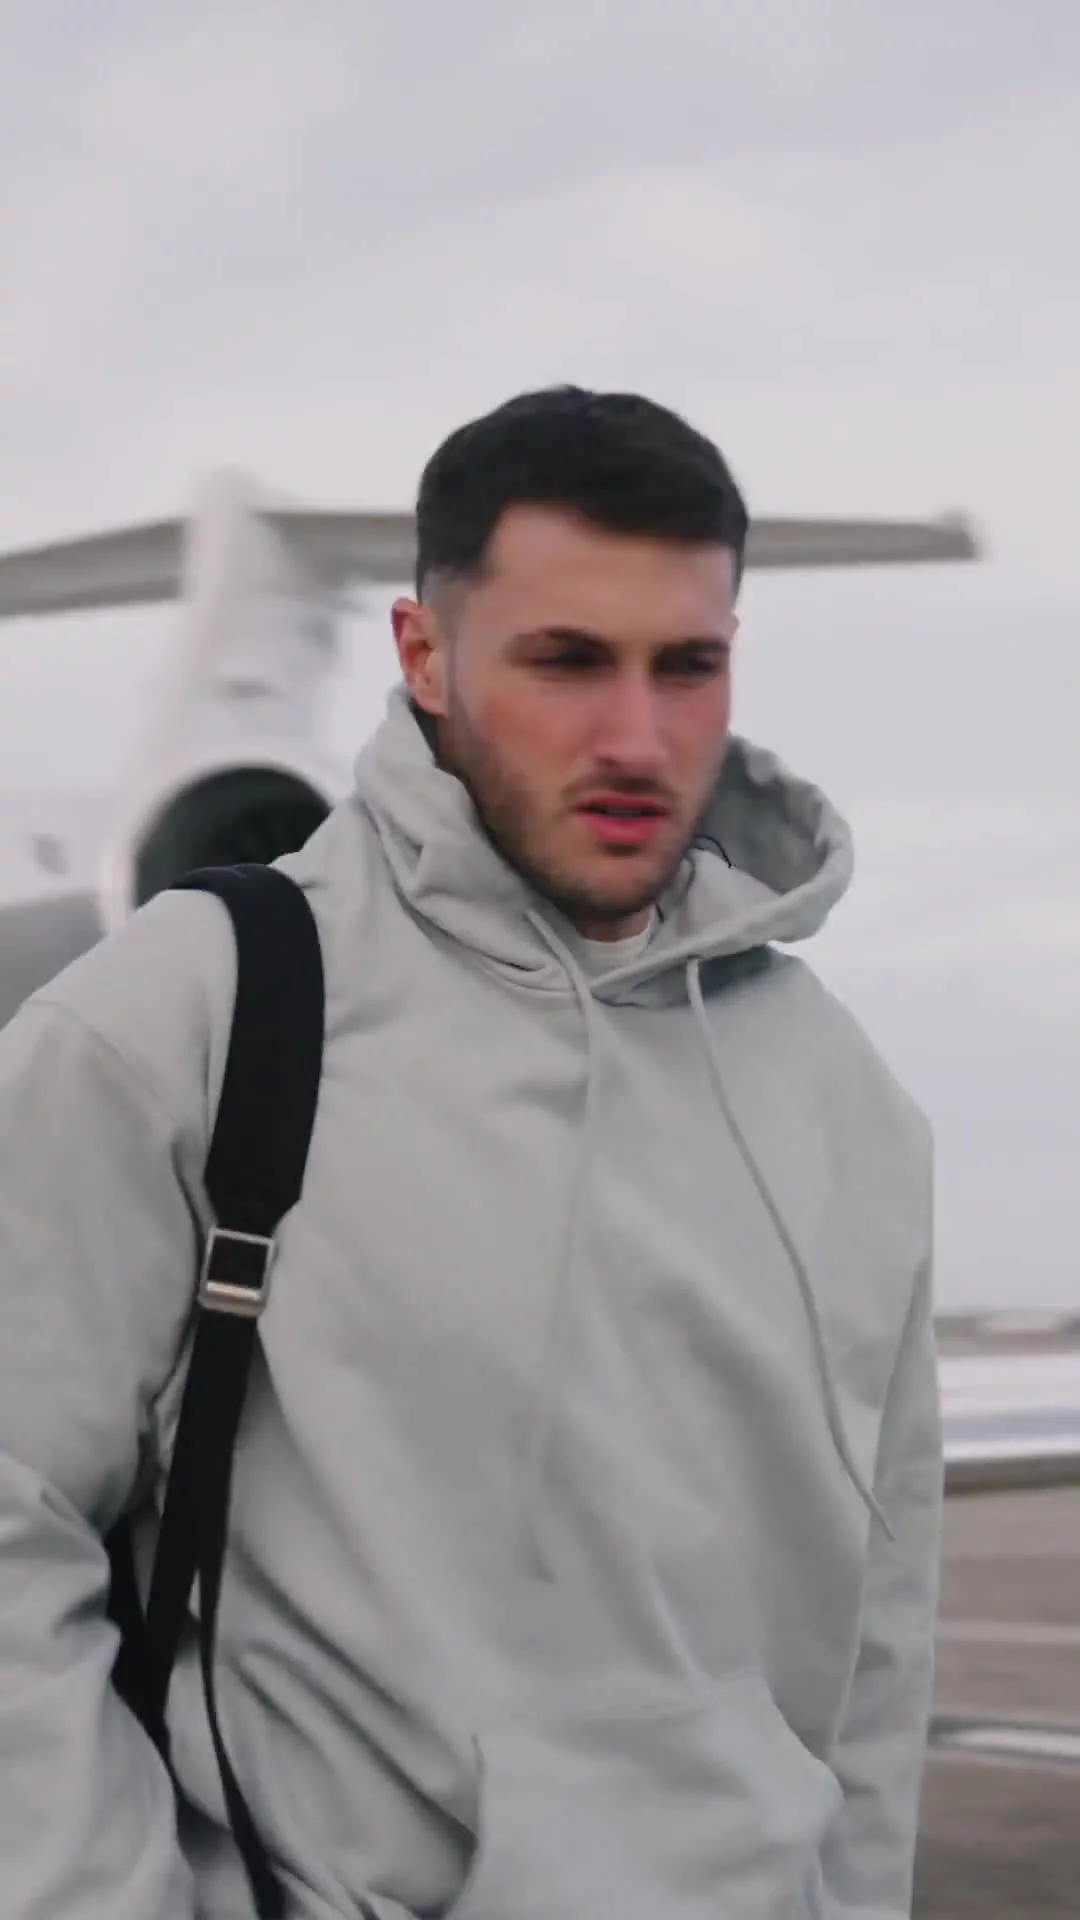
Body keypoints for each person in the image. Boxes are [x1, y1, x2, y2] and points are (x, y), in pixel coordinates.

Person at [0, 385, 942, 1919]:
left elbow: (878, 1649)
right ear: (424, 655)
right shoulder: (191, 1016)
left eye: (686, 666)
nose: (636, 737)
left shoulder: (848, 1105)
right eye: (566, 660)